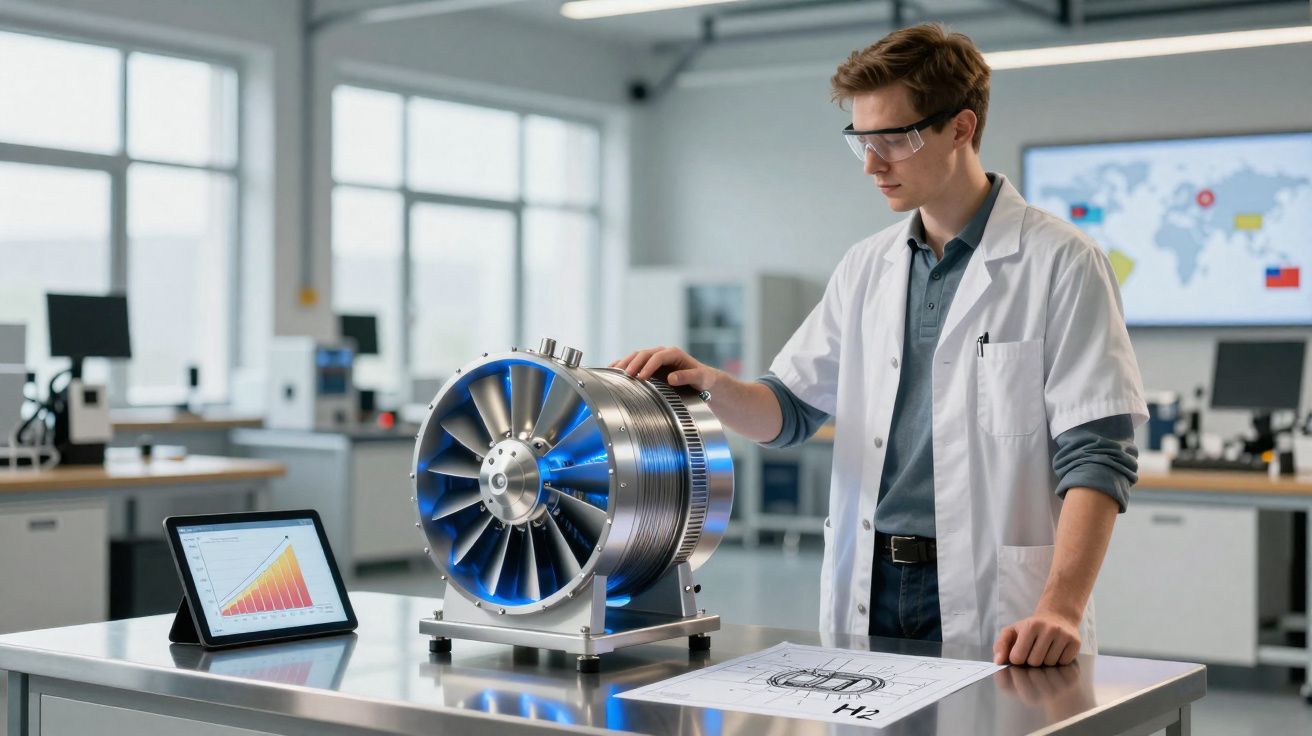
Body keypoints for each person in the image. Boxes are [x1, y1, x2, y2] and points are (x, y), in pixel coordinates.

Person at [611, 22, 1146, 667]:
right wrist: (714, 387)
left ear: (961, 127)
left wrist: (1060, 606)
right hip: (870, 582)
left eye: (895, 139)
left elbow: (1098, 454)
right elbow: (790, 412)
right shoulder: (868, 266)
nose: (872, 164)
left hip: (999, 599)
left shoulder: (1061, 261)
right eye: (861, 141)